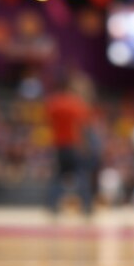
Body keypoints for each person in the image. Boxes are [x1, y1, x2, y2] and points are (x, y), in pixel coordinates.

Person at [44, 78, 93, 215]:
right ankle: (87, 206)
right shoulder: (76, 103)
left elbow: (50, 122)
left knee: (58, 175)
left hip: (59, 145)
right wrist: (84, 146)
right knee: (82, 175)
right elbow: (81, 127)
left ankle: (52, 205)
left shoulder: (53, 103)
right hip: (73, 145)